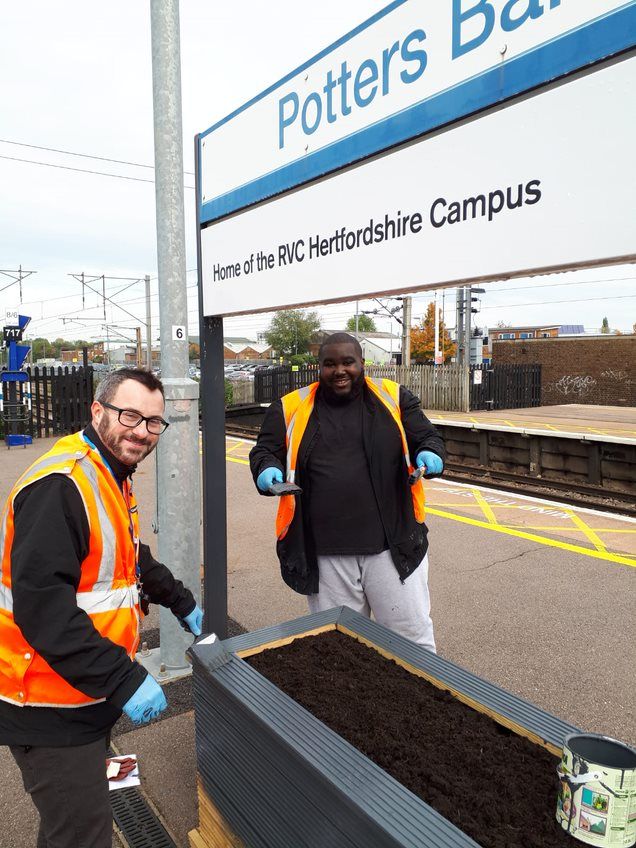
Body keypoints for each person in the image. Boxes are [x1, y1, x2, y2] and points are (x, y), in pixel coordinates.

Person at [0, 367, 203, 848]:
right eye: (129, 415)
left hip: (82, 689)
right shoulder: (62, 485)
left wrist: (179, 600)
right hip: (49, 705)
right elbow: (44, 610)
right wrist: (122, 678)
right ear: (98, 410)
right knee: (81, 834)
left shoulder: (107, 471)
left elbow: (127, 554)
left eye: (154, 422)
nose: (142, 432)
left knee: (75, 817)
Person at [249, 333, 444, 650]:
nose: (339, 370)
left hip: (392, 550)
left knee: (412, 642)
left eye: (347, 362)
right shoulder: (290, 408)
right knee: (340, 650)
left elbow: (428, 437)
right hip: (326, 557)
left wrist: (431, 454)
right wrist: (265, 470)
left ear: (362, 364)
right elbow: (264, 451)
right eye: (330, 364)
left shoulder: (393, 398)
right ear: (319, 368)